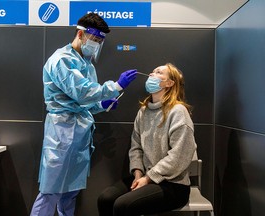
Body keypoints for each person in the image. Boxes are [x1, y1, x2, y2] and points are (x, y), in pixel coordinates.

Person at [30, 13, 137, 216]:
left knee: (69, 193)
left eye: (99, 42)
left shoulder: (87, 64)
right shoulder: (61, 60)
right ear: (80, 34)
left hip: (79, 136)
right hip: (61, 133)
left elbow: (86, 101)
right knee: (50, 192)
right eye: (94, 40)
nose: (96, 45)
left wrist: (101, 105)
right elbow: (82, 91)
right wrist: (115, 86)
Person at [97, 63, 198, 216]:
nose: (151, 74)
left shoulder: (178, 112)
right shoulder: (143, 112)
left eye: (158, 72)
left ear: (169, 83)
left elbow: (178, 157)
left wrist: (148, 178)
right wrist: (138, 174)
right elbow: (136, 147)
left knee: (123, 205)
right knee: (105, 199)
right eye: (152, 71)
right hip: (145, 176)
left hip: (173, 185)